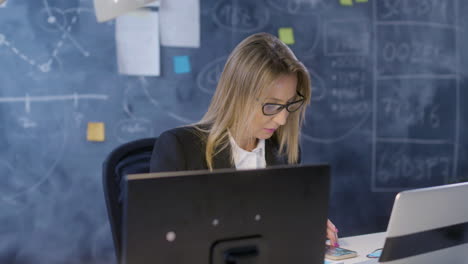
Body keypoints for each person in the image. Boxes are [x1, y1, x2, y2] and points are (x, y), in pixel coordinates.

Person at [149, 32, 340, 247]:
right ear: (238, 96)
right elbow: (160, 245)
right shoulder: (180, 149)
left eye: (290, 104)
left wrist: (303, 226)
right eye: (271, 105)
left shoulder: (284, 153)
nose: (282, 118)